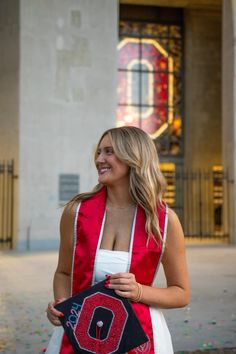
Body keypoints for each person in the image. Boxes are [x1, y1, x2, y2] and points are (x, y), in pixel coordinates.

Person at [45, 126, 190, 354]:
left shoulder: (163, 221)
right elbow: (63, 272)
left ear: (133, 158)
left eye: (109, 152)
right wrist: (62, 304)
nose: (99, 159)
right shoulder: (76, 213)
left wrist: (139, 291)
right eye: (99, 152)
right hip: (80, 336)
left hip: (141, 337)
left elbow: (181, 292)